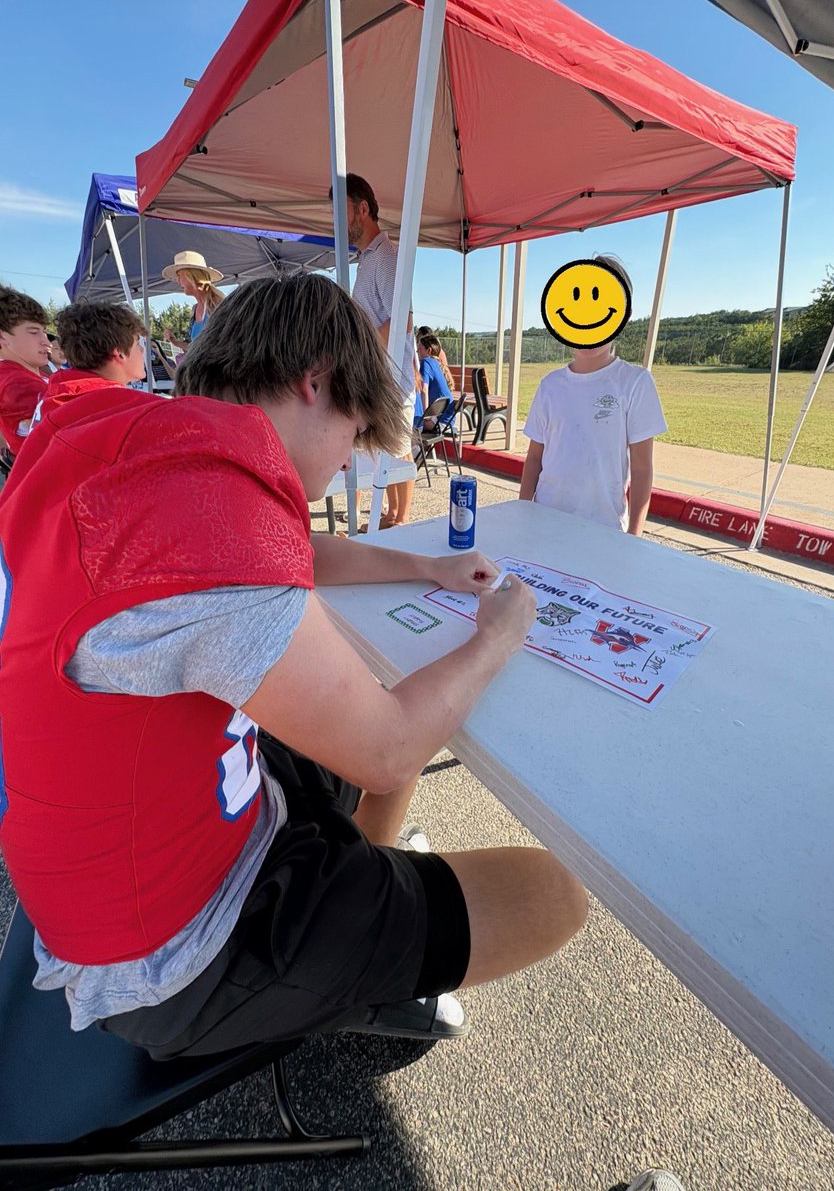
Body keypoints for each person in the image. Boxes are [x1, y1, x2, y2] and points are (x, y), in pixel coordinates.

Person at [0, 272, 587, 1061]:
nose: (348, 459)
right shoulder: (213, 521)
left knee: (361, 715)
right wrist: (499, 634)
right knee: (553, 897)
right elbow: (390, 747)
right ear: (315, 382)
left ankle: (372, 897)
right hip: (173, 957)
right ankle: (361, 974)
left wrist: (425, 570)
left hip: (108, 872)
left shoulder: (146, 445)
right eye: (353, 430)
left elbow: (285, 555)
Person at [519, 256, 667, 535]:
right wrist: (523, 513)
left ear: (623, 313)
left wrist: (634, 536)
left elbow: (642, 467)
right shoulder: (549, 385)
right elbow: (534, 458)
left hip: (604, 529)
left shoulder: (635, 382)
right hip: (544, 522)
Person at [332, 173, 417, 528]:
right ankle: (390, 516)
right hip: (382, 376)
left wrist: (361, 345)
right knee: (387, 449)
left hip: (393, 378)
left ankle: (401, 520)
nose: (337, 221)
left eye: (342, 211)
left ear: (362, 209)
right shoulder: (370, 259)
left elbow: (403, 321)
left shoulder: (385, 256)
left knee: (397, 450)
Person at [40, 303, 148, 408]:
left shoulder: (56, 394)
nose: (142, 350)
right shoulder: (120, 408)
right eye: (138, 344)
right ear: (119, 353)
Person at [0, 284, 50, 456]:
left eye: (44, 332)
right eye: (34, 332)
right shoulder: (16, 383)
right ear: (2, 337)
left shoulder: (33, 374)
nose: (46, 342)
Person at [161, 250, 224, 353]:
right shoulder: (195, 309)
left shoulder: (217, 303)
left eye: (180, 276)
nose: (178, 281)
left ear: (191, 276)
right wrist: (176, 343)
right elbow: (196, 348)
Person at [416, 333, 456, 431]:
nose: (417, 351)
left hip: (438, 421)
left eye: (420, 349)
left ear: (428, 351)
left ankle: (416, 446)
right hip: (448, 420)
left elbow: (424, 390)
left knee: (407, 425)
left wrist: (425, 417)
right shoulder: (438, 363)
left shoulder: (426, 362)